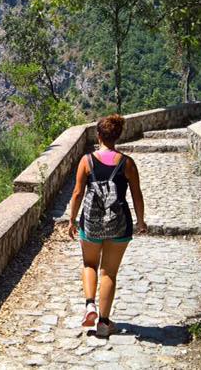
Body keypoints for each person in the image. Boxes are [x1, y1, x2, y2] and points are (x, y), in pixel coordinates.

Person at [68, 113, 147, 338]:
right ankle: (103, 322)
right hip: (119, 224)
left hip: (91, 224)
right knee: (109, 272)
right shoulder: (127, 163)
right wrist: (141, 221)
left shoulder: (87, 161)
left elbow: (77, 193)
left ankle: (89, 305)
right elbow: (137, 195)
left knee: (89, 264)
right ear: (118, 136)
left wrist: (72, 220)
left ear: (98, 135)